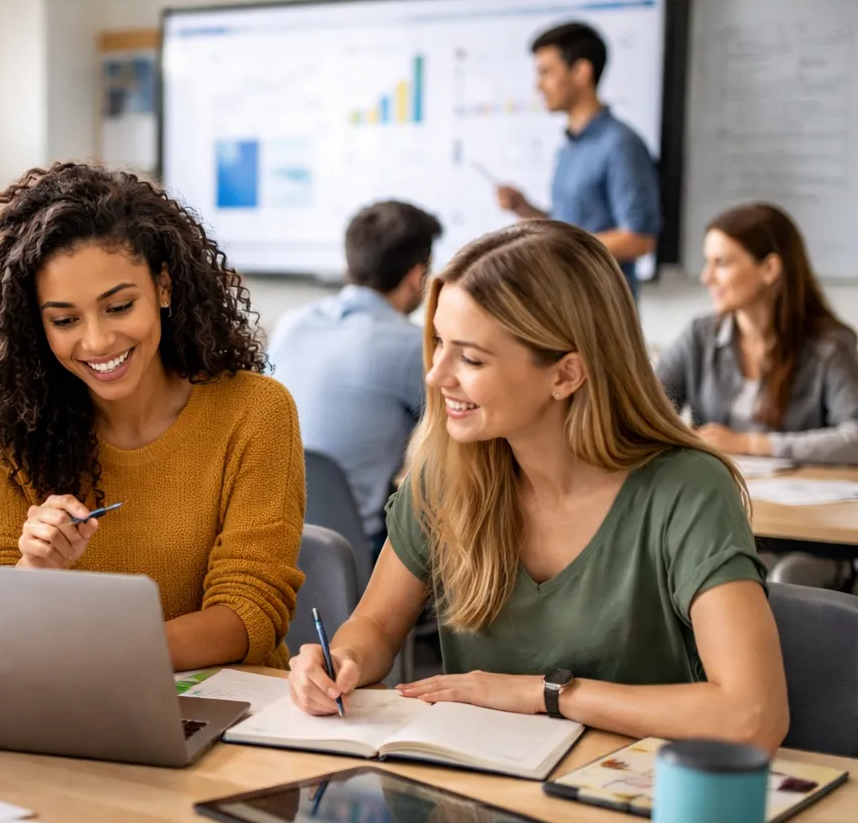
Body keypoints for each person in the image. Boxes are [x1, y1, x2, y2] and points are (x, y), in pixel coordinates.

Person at [288, 220, 789, 755]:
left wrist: (544, 695)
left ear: (566, 374)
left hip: (631, 799)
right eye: (438, 345)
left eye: (472, 358)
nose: (436, 376)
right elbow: (376, 624)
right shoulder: (445, 474)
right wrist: (343, 660)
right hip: (473, 800)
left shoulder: (686, 489)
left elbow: (753, 714)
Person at [0, 162, 305, 671]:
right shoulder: (11, 429)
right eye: (65, 320)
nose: (96, 342)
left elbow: (249, 610)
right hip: (72, 705)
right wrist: (35, 567)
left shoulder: (255, 412)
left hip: (228, 710)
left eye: (118, 307)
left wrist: (109, 654)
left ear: (163, 286)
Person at [269, 200, 443, 558]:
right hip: (353, 556)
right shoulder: (413, 346)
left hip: (269, 545)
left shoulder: (291, 324)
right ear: (416, 277)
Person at [656, 203, 858, 465]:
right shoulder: (699, 335)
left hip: (802, 499)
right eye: (708, 263)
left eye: (722, 263)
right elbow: (644, 411)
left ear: (769, 269)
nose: (707, 278)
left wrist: (748, 444)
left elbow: (854, 438)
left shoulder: (830, 345)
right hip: (719, 489)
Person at [494, 22, 661, 299]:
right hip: (563, 302)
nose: (538, 84)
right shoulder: (568, 149)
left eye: (546, 72)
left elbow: (639, 239)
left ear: (582, 72)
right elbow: (569, 226)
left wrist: (557, 245)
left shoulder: (620, 144)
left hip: (603, 310)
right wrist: (526, 210)